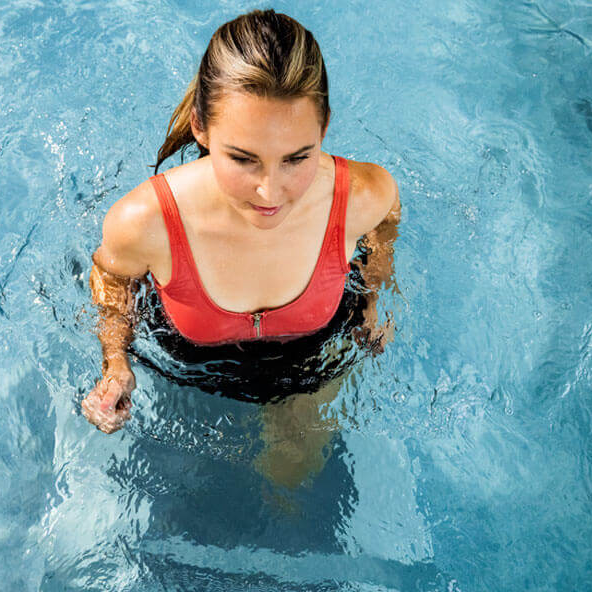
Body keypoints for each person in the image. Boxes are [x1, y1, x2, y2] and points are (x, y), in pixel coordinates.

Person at [81, 9, 401, 485]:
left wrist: (372, 300)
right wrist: (116, 362)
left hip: (308, 359)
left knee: (293, 496)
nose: (271, 193)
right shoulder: (145, 222)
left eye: (297, 158)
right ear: (200, 127)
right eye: (243, 159)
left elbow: (384, 230)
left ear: (325, 128)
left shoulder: (365, 195)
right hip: (187, 364)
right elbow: (111, 278)